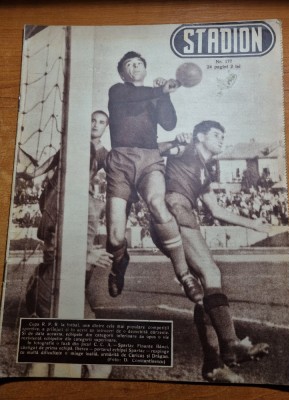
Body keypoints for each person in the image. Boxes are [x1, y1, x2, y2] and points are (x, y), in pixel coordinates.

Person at [152, 120, 271, 383]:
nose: (221, 139)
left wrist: (256, 224)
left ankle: (213, 365)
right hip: (174, 210)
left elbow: (218, 211)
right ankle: (232, 344)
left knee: (205, 295)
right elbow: (150, 150)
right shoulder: (186, 150)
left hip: (179, 214)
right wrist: (174, 141)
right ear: (199, 136)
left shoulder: (207, 170)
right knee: (212, 273)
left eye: (223, 136)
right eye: (216, 135)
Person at [21, 110, 112, 378]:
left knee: (42, 361)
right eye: (91, 120)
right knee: (98, 362)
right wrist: (86, 255)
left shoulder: (84, 199)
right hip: (56, 288)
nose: (95, 125)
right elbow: (53, 247)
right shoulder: (63, 199)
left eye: (101, 122)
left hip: (53, 285)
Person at [105, 51, 202, 302]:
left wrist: (166, 95)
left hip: (150, 158)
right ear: (122, 72)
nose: (135, 67)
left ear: (145, 69)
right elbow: (136, 94)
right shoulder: (118, 90)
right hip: (120, 162)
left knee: (158, 204)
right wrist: (162, 90)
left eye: (139, 63)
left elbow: (169, 124)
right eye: (129, 65)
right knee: (115, 237)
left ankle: (184, 275)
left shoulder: (155, 95)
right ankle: (119, 263)